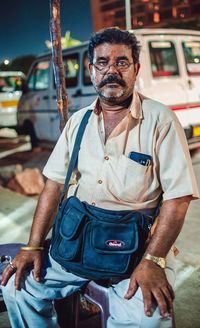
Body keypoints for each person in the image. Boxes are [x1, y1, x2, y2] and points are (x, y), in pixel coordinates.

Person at [1, 27, 199, 328]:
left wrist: (153, 260)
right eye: (102, 63)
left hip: (136, 245)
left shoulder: (161, 120)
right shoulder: (78, 122)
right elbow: (53, 187)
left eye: (121, 62)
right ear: (91, 70)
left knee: (149, 316)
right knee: (17, 286)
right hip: (78, 237)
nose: (112, 70)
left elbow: (178, 197)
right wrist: (33, 246)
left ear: (136, 69)